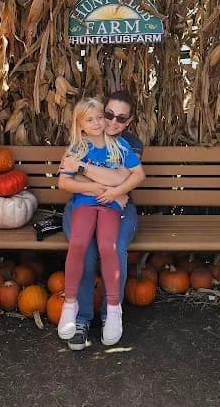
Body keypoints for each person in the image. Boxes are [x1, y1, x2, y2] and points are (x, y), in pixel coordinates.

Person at [56, 96, 145, 347]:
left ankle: (111, 313)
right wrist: (99, 185)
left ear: (130, 121)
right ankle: (81, 316)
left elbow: (124, 178)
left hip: (117, 207)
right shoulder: (81, 142)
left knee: (112, 247)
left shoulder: (127, 144)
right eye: (109, 114)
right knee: (84, 248)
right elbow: (66, 181)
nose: (112, 122)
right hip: (84, 204)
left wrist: (87, 173)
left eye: (121, 118)